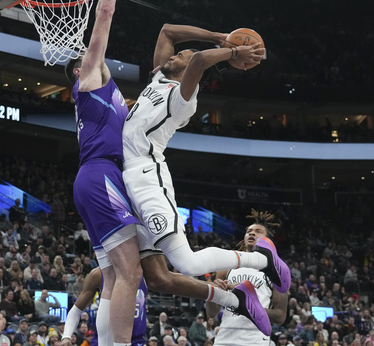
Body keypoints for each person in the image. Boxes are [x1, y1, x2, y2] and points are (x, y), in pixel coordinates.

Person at [119, 23, 290, 330]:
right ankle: (238, 296)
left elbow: (198, 62)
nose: (174, 56)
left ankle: (264, 262)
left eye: (180, 56)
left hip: (148, 179)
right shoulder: (158, 77)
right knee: (157, 277)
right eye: (176, 55)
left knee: (187, 263)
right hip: (128, 184)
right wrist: (217, 37)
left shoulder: (183, 98)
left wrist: (233, 51)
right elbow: (167, 31)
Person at [64, 0, 141, 346]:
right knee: (132, 271)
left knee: (113, 274)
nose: (92, 55)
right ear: (79, 71)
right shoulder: (89, 78)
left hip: (96, 178)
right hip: (98, 177)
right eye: (86, 57)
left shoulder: (112, 98)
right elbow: (105, 14)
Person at [205, 209, 289, 346]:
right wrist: (212, 294)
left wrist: (248, 306)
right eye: (249, 231)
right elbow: (211, 313)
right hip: (225, 335)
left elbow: (280, 316)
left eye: (258, 231)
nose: (251, 233)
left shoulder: (276, 271)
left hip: (255, 337)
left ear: (267, 241)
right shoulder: (228, 265)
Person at [61, 267, 147, 346]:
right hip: (105, 340)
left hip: (136, 341)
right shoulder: (98, 274)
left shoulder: (145, 271)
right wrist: (66, 336)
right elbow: (75, 311)